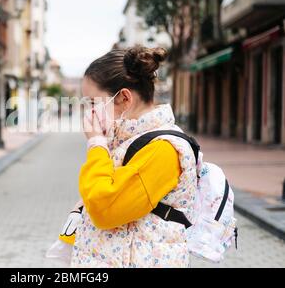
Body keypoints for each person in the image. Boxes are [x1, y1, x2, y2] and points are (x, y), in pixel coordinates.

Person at [69, 45, 198, 268]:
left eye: (92, 102)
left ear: (125, 98)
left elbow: (105, 209)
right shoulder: (128, 140)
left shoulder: (163, 149)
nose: (88, 112)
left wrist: (96, 143)